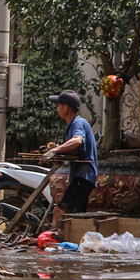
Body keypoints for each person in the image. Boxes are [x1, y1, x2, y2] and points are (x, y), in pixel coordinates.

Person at [43, 89, 98, 229]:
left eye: (59, 105)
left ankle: (53, 237)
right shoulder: (73, 124)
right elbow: (76, 150)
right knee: (77, 216)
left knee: (59, 211)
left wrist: (55, 150)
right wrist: (59, 153)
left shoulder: (78, 123)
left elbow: (78, 140)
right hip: (84, 177)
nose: (57, 109)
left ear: (66, 107)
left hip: (83, 177)